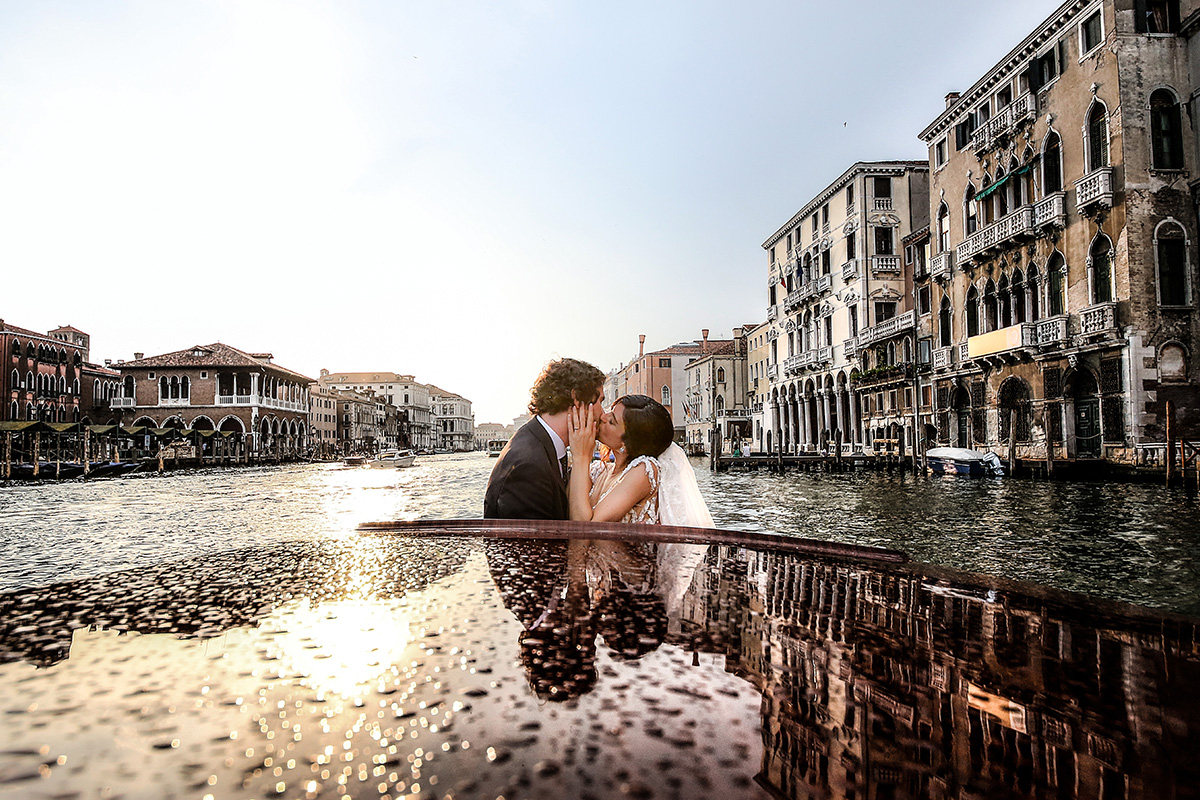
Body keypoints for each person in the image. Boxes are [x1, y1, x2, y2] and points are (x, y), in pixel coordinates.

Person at [483, 357, 605, 520]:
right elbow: (539, 545)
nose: (603, 413)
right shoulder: (528, 468)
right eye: (600, 402)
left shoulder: (539, 443)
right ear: (577, 399)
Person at [567, 394, 714, 527]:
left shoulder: (644, 470)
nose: (603, 418)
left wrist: (581, 456)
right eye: (609, 412)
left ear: (627, 442)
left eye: (612, 421)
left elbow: (588, 528)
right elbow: (568, 508)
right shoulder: (598, 470)